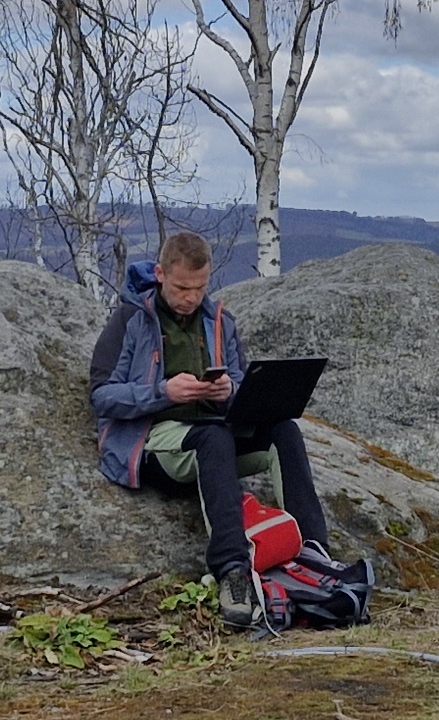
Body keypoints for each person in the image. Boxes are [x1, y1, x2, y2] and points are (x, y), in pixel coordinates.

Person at [88, 228, 368, 630]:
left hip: (212, 431)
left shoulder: (219, 321)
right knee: (212, 437)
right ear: (162, 275)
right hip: (151, 441)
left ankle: (314, 554)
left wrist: (229, 392)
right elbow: (102, 395)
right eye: (183, 288)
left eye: (200, 288)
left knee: (283, 430)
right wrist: (163, 391)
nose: (191, 298)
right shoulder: (131, 320)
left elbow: (239, 381)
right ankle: (233, 572)